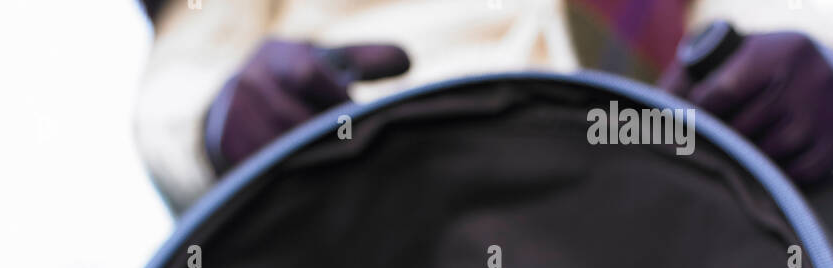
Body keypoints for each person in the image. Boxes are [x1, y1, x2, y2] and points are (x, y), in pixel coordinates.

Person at [131, 0, 833, 214]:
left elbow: (741, 39)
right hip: (366, 253)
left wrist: (802, 98)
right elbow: (177, 86)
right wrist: (217, 123)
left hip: (655, 265)